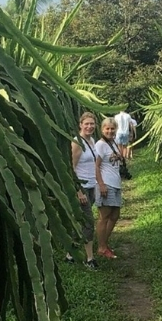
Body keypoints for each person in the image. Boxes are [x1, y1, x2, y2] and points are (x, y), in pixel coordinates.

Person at [69, 112, 99, 270]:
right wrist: (78, 191)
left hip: (92, 186)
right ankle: (89, 259)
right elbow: (71, 168)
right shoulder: (77, 143)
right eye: (86, 124)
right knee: (88, 222)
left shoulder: (92, 141)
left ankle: (70, 254)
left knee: (81, 221)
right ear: (80, 125)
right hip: (82, 188)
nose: (89, 126)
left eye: (92, 124)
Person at [94, 117, 125, 259]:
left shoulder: (113, 143)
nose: (110, 131)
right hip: (106, 184)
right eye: (107, 128)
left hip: (115, 183)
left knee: (115, 215)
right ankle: (101, 247)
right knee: (104, 217)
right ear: (102, 129)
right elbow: (96, 166)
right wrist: (101, 184)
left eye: (112, 128)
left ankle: (104, 244)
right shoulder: (100, 145)